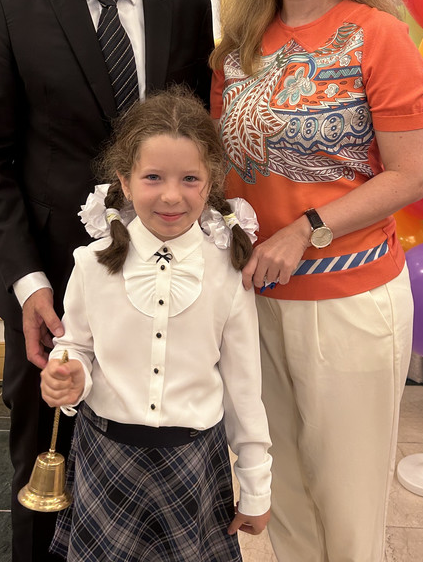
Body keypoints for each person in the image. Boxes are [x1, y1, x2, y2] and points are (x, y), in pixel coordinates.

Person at [0, 0, 214, 562]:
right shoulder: (8, 2)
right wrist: (31, 284)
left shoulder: (188, 7)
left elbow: (199, 154)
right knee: (47, 468)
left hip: (167, 288)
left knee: (159, 462)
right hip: (50, 294)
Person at [210, 0, 423, 562]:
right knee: (279, 501)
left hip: (350, 303)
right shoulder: (236, 50)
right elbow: (223, 175)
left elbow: (409, 177)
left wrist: (306, 230)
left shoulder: (378, 34)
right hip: (255, 302)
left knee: (349, 506)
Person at [40, 87, 271, 561]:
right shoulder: (90, 264)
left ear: (210, 184)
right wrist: (68, 373)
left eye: (189, 178)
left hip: (194, 465)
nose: (171, 195)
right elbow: (77, 346)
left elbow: (245, 388)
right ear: (123, 181)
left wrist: (256, 487)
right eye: (152, 177)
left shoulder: (229, 272)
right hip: (106, 461)